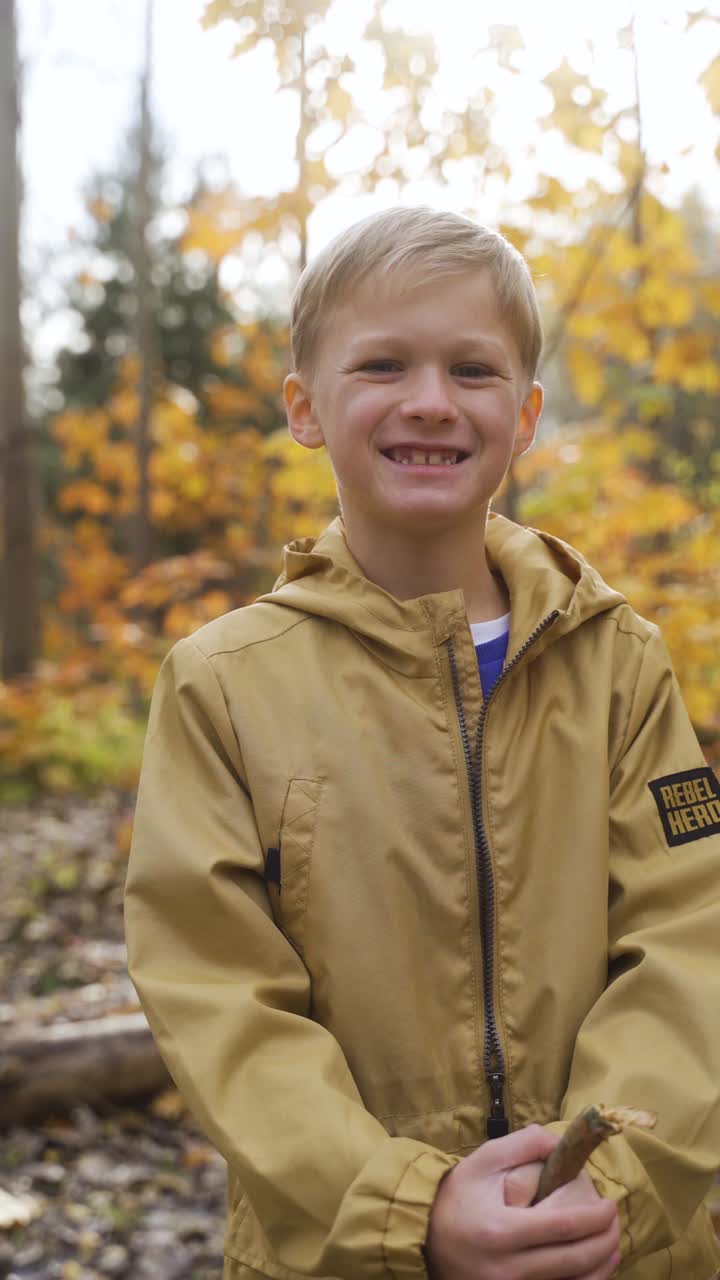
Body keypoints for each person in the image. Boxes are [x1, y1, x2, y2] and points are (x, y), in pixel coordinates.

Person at [124, 206, 720, 1280]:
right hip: (349, 1248)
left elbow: (692, 935)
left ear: (527, 414)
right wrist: (411, 1206)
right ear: (305, 407)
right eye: (385, 363)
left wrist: (604, 1180)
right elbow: (214, 990)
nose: (432, 402)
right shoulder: (222, 685)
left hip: (614, 1242)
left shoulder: (618, 659)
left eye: (474, 370)